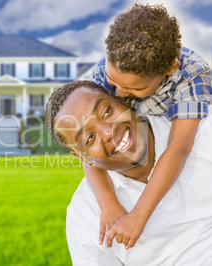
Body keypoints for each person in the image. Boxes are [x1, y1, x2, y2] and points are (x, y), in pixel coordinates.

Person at [86, 3, 212, 249]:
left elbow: (179, 147)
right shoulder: (105, 71)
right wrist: (108, 202)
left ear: (170, 69)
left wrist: (139, 215)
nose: (119, 92)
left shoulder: (192, 75)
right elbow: (84, 143)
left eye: (136, 89)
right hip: (136, 141)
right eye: (113, 81)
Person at [44, 80, 212, 264]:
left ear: (122, 100)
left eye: (106, 112)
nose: (108, 132)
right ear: (82, 157)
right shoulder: (85, 216)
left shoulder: (200, 128)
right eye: (90, 137)